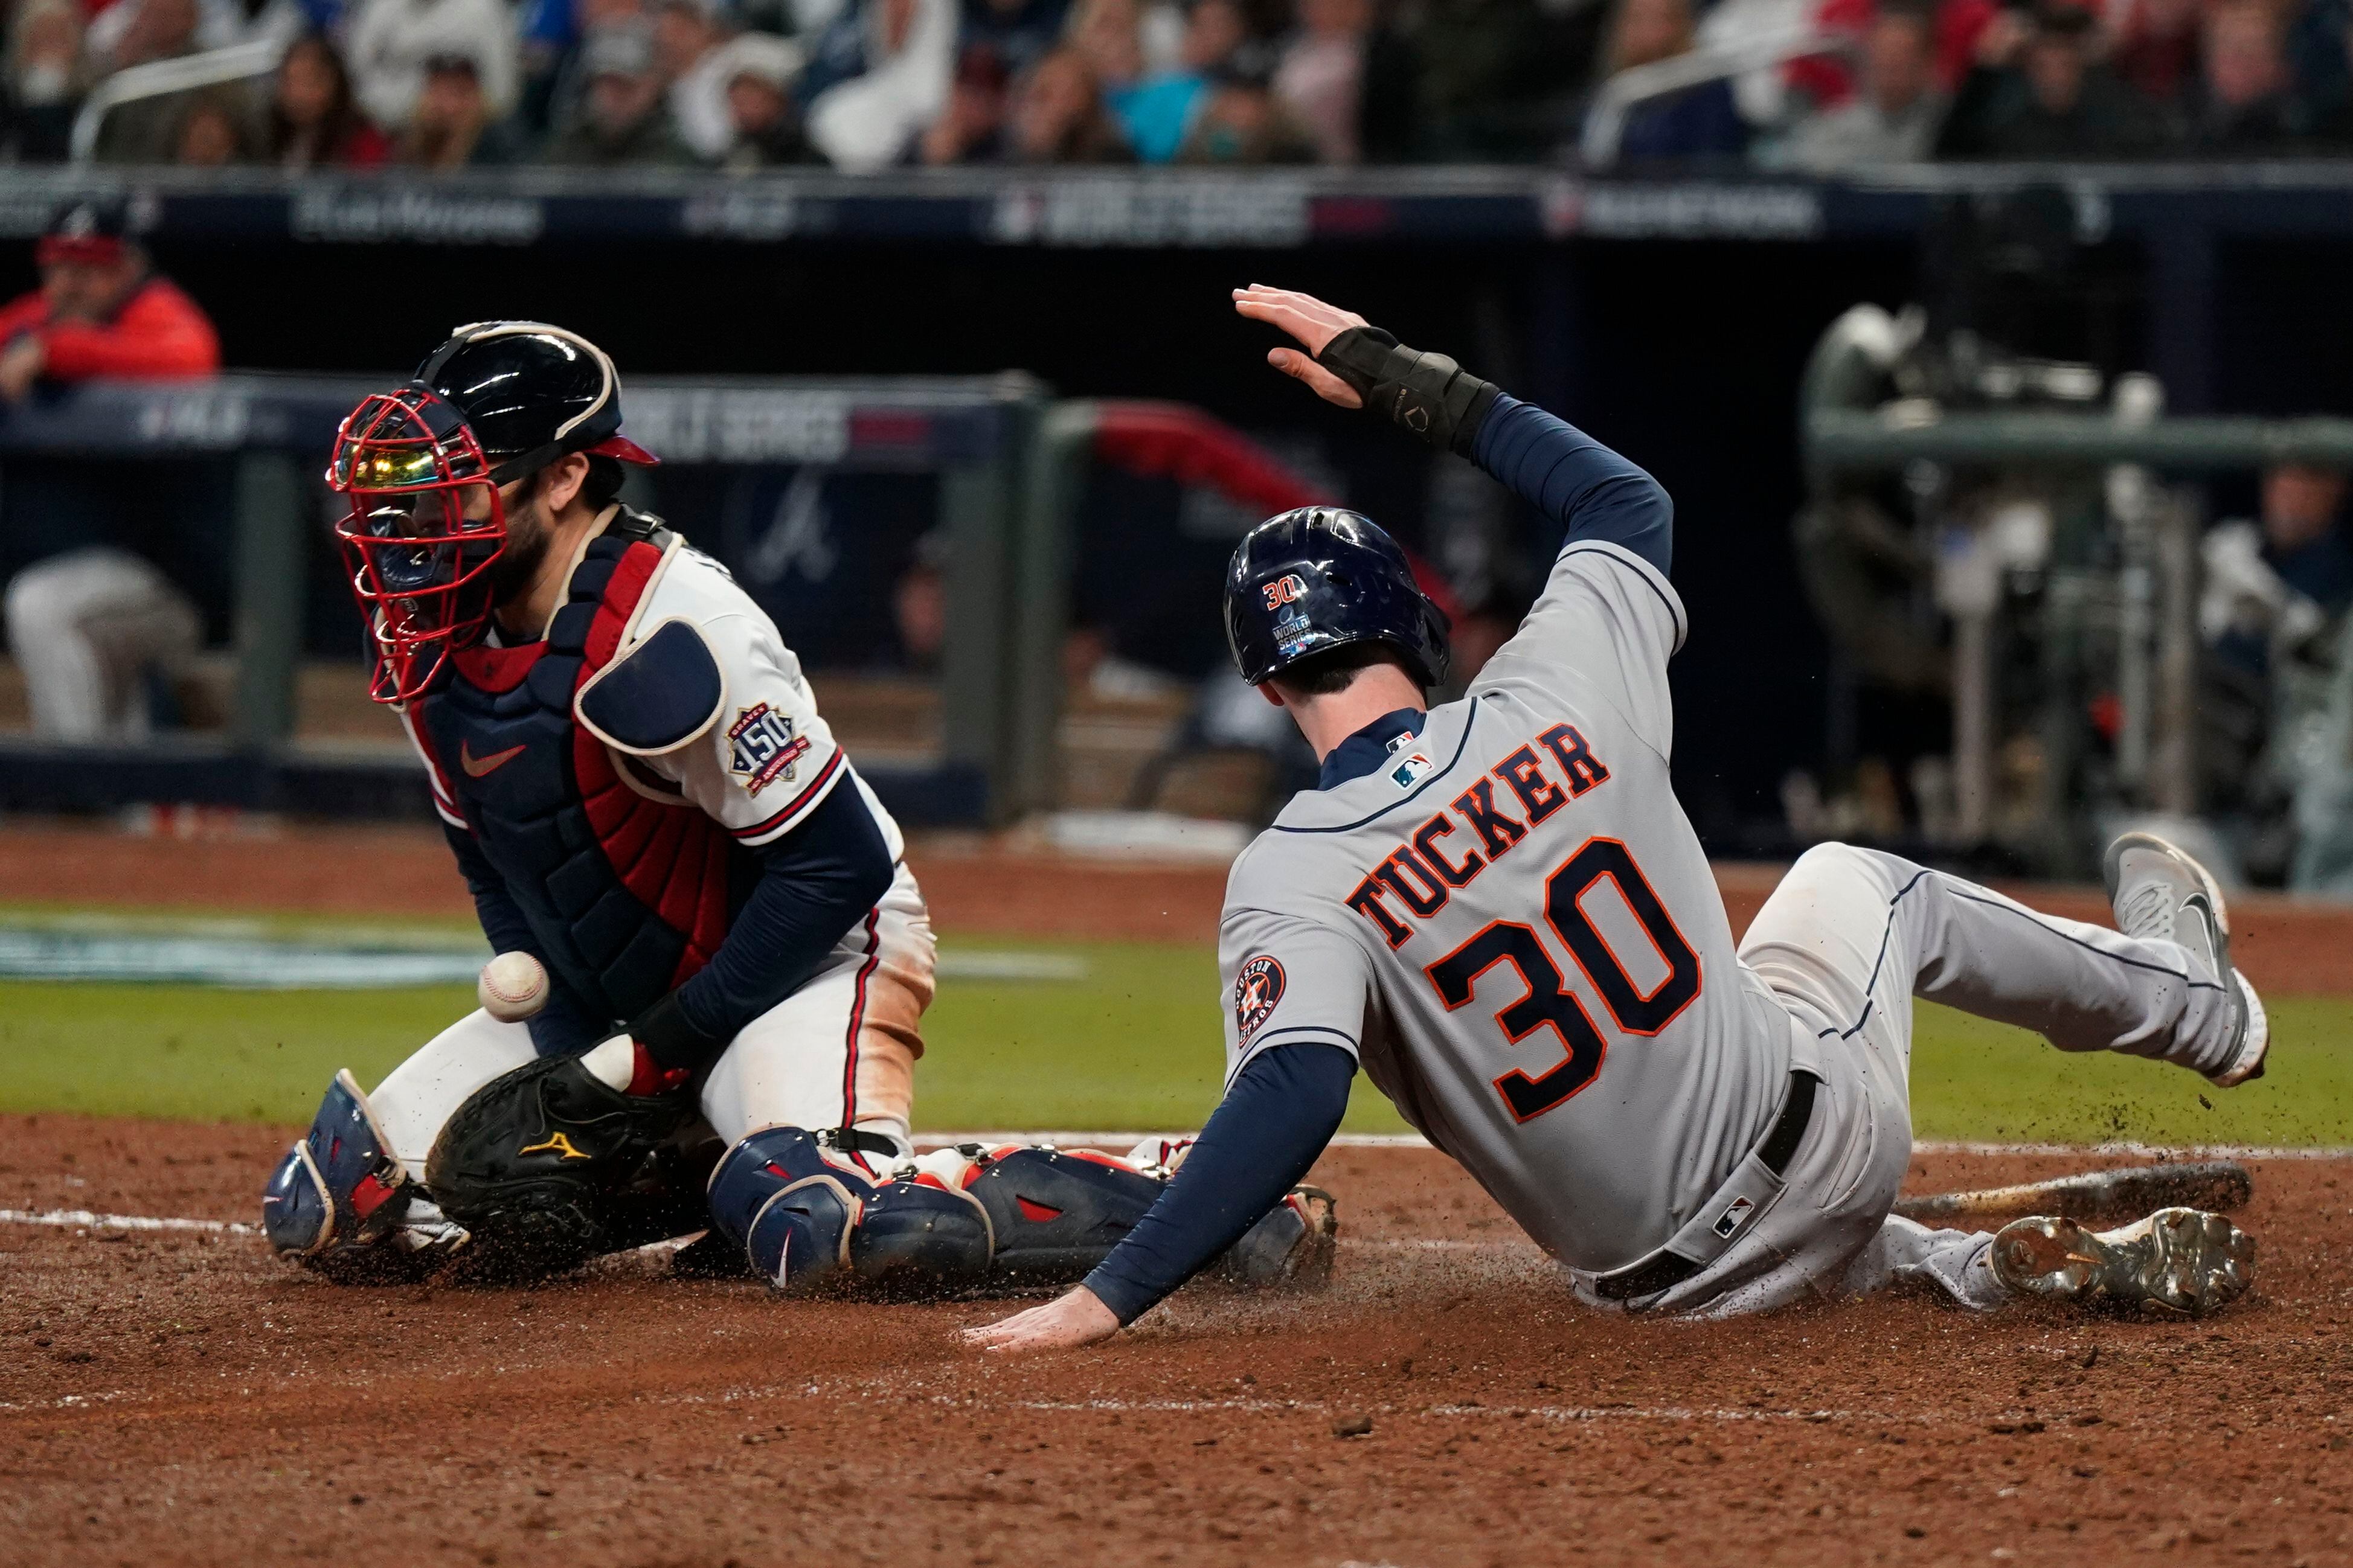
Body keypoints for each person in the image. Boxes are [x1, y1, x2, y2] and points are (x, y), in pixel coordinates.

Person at [966, 285, 2267, 1354]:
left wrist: (1103, 1295)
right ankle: (2200, 1007)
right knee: (1860, 880)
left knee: (1734, 1095)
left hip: (1657, 1290)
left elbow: (1295, 1088)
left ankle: (1969, 1267)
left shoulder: (1286, 878)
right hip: (1823, 1149)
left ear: (1263, 680)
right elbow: (1624, 502)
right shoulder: (1553, 686)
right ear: (1419, 629)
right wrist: (1410, 381)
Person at [263, 322, 1336, 1297]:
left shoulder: (671, 631)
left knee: (836, 1225)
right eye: (405, 492)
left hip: (816, 957)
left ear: (565, 478)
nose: (413, 525)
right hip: (632, 999)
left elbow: (839, 867)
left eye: (456, 488)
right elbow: (500, 856)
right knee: (344, 1208)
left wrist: (641, 1064)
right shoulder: (428, 630)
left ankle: (1189, 1188)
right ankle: (701, 1160)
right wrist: (574, 1048)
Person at [0, 199, 220, 743]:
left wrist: (54, 351)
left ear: (128, 268)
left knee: (42, 606)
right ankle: (117, 810)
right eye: (60, 268)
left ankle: (78, 789)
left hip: (180, 585)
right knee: (113, 708)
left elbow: (190, 357)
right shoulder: (37, 318)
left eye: (91, 269)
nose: (71, 284)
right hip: (101, 578)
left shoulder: (157, 311)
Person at [1936, 1, 2166, 158]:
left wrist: (2110, 66)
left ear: (2080, 67)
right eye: (2044, 65)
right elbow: (1952, 153)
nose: (2055, 75)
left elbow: (2150, 145)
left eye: (2065, 63)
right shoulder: (2007, 129)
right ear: (2030, 69)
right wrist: (1984, 71)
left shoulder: (2111, 123)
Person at [1773, 1, 1945, 168]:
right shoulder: (1833, 129)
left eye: (1902, 60)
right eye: (1884, 59)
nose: (1890, 68)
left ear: (1927, 64)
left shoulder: (1948, 127)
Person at [1588, 0, 1748, 161]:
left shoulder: (1710, 97)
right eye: (1637, 18)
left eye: (1662, 19)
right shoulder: (1608, 92)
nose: (1649, 32)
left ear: (1684, 25)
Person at [344, 0, 521, 131]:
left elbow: (502, 93)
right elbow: (356, 80)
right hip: (387, 133)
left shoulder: (484, 9)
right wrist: (414, 108)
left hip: (470, 140)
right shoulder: (379, 7)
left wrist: (454, 107)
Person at [545, 22, 699, 162]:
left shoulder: (677, 159)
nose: (610, 97)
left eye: (624, 86)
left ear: (653, 86)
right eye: (602, 84)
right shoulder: (565, 149)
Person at [266, 30, 392, 167]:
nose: (299, 95)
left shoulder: (363, 141)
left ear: (336, 84)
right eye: (290, 82)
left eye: (309, 83)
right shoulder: (269, 135)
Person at [397, 50, 528, 163]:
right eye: (440, 94)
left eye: (461, 93)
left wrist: (460, 142)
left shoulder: (503, 144)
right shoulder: (407, 138)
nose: (450, 107)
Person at [711, 30, 814, 165]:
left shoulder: (806, 132)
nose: (742, 111)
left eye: (747, 100)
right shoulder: (742, 149)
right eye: (736, 104)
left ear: (771, 94)